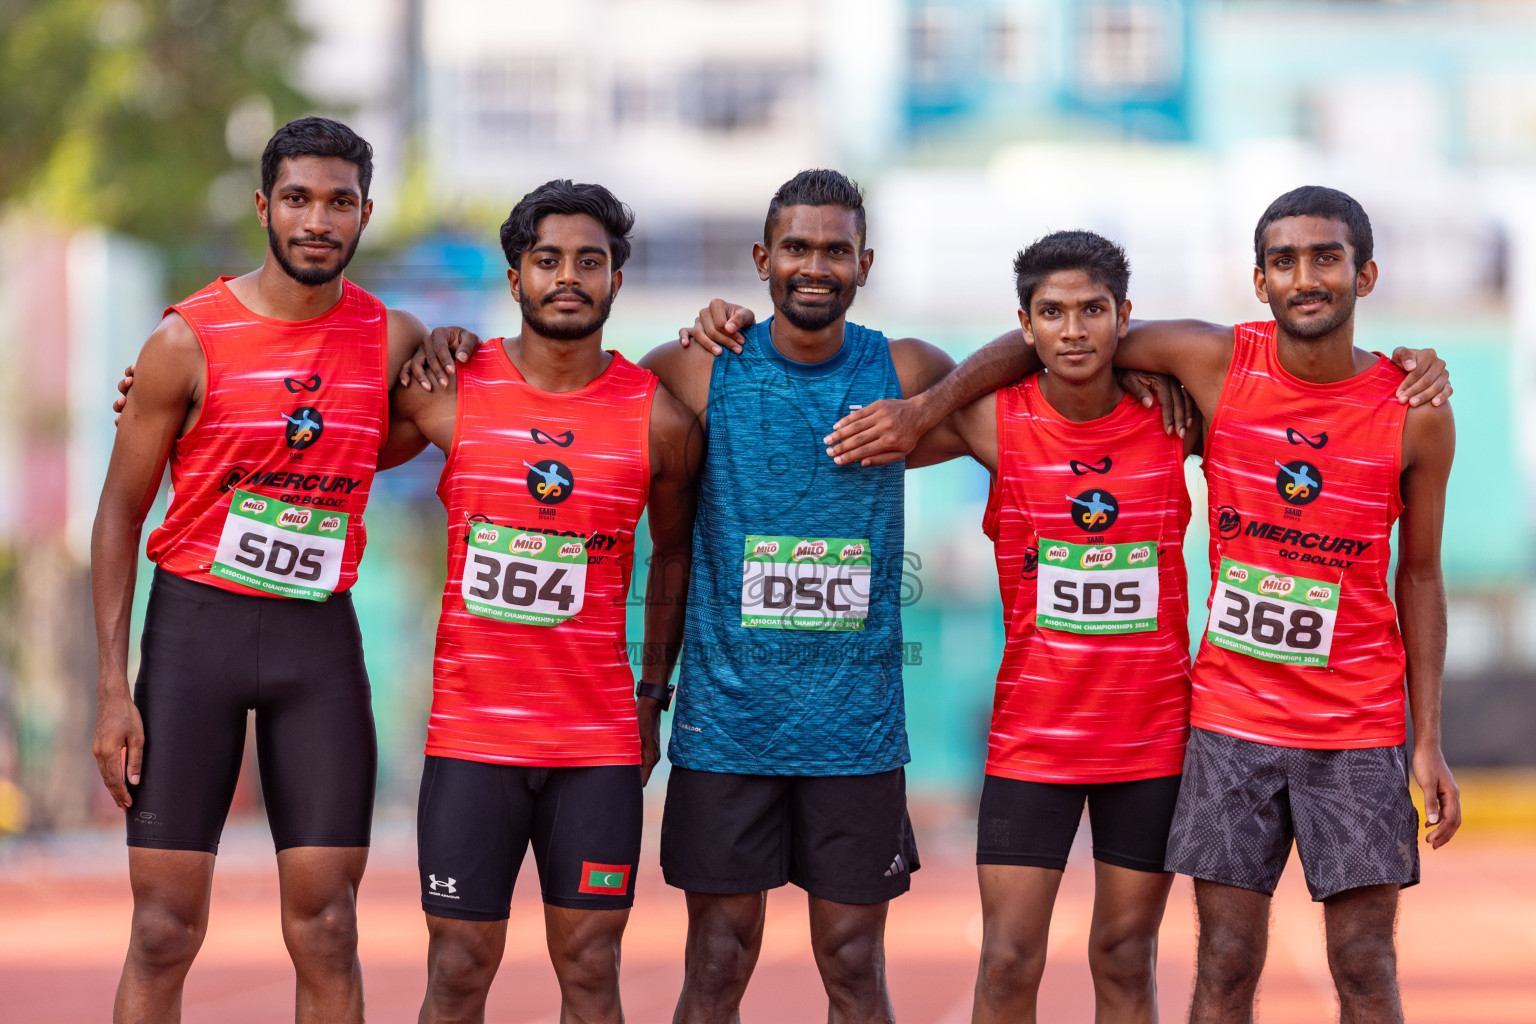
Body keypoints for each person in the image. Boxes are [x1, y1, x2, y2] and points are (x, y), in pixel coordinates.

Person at [709, 185, 1457, 1023]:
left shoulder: (1200, 412)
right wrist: (778, 359)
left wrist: (1427, 737)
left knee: (1187, 958)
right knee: (1044, 962)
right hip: (1066, 737)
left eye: (1094, 313)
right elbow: (887, 412)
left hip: (1185, 733)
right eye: (1285, 260)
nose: (1075, 330)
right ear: (1259, 279)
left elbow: (1418, 569)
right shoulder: (1053, 408)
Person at [91, 116, 471, 1023]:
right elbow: (117, 512)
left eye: (340, 202)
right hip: (194, 636)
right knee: (163, 931)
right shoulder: (187, 339)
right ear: (265, 206)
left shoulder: (390, 338)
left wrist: (456, 344)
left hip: (318, 643)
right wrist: (112, 686)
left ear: (365, 214)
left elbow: (409, 436)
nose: (317, 220)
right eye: (298, 198)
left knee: (329, 927)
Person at [383, 180, 701, 1023]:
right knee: (456, 969)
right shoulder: (448, 386)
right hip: (471, 739)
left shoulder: (657, 420)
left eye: (589, 262)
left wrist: (653, 697)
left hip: (594, 746)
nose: (569, 277)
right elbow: (326, 436)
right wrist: (168, 399)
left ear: (616, 281)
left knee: (592, 969)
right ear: (516, 274)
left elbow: (673, 558)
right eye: (548, 260)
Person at [905, 230, 1199, 1022]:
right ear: (1026, 326)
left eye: (1093, 311)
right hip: (1035, 740)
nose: (1074, 330)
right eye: (1053, 312)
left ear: (1124, 317)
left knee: (1126, 956)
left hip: (1152, 738)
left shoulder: (1180, 423)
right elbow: (879, 427)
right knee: (1006, 960)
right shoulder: (992, 425)